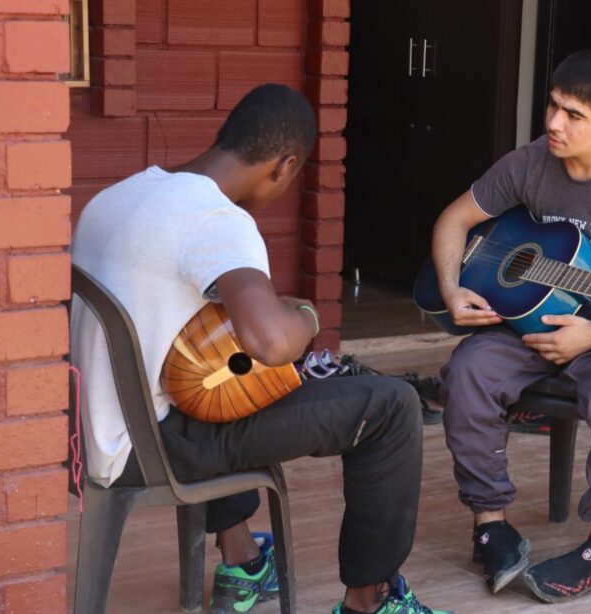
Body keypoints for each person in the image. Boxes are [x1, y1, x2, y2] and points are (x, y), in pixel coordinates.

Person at [71, 84, 448, 614]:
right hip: (157, 445)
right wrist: (307, 316)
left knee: (224, 383)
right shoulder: (218, 221)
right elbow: (270, 342)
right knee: (391, 407)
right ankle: (370, 600)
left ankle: (243, 564)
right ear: (284, 165)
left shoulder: (120, 195)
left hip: (93, 436)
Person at [432, 50, 591, 604]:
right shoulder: (530, 163)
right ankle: (490, 525)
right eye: (553, 106)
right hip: (541, 313)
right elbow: (454, 219)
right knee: (469, 370)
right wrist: (453, 286)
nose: (554, 124)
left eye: (573, 115)